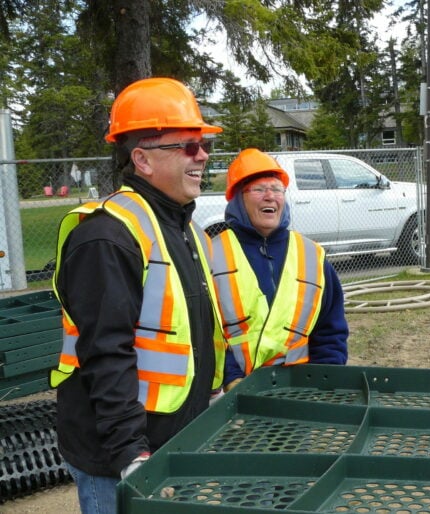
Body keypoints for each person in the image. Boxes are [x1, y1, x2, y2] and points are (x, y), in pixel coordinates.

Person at [49, 77, 226, 514]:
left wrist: (213, 395)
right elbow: (106, 352)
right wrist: (130, 454)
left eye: (202, 143)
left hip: (174, 441)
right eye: (186, 145)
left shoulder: (183, 229)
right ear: (142, 160)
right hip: (124, 458)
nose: (202, 154)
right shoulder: (107, 237)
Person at [210, 148, 348, 390]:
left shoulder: (312, 256)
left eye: (276, 189)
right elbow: (207, 331)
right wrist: (231, 378)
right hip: (237, 393)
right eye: (259, 189)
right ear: (238, 199)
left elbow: (330, 330)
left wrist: (324, 382)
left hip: (300, 389)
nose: (269, 196)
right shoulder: (212, 254)